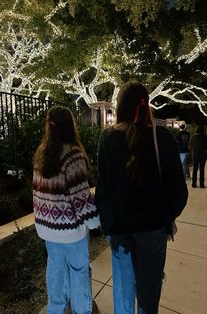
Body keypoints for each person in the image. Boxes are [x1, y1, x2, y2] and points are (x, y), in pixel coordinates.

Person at [95, 81, 188, 314]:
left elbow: (103, 189)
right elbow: (179, 189)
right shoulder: (163, 137)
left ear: (119, 106)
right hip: (152, 229)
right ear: (147, 104)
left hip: (120, 231)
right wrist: (167, 215)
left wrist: (107, 224)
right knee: (149, 292)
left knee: (123, 292)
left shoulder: (107, 138)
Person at [33, 106, 100, 314]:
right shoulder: (73, 155)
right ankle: (81, 310)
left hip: (47, 229)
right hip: (71, 231)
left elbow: (35, 193)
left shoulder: (41, 154)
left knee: (55, 270)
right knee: (79, 271)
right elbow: (81, 199)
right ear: (70, 125)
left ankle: (56, 309)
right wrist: (96, 222)